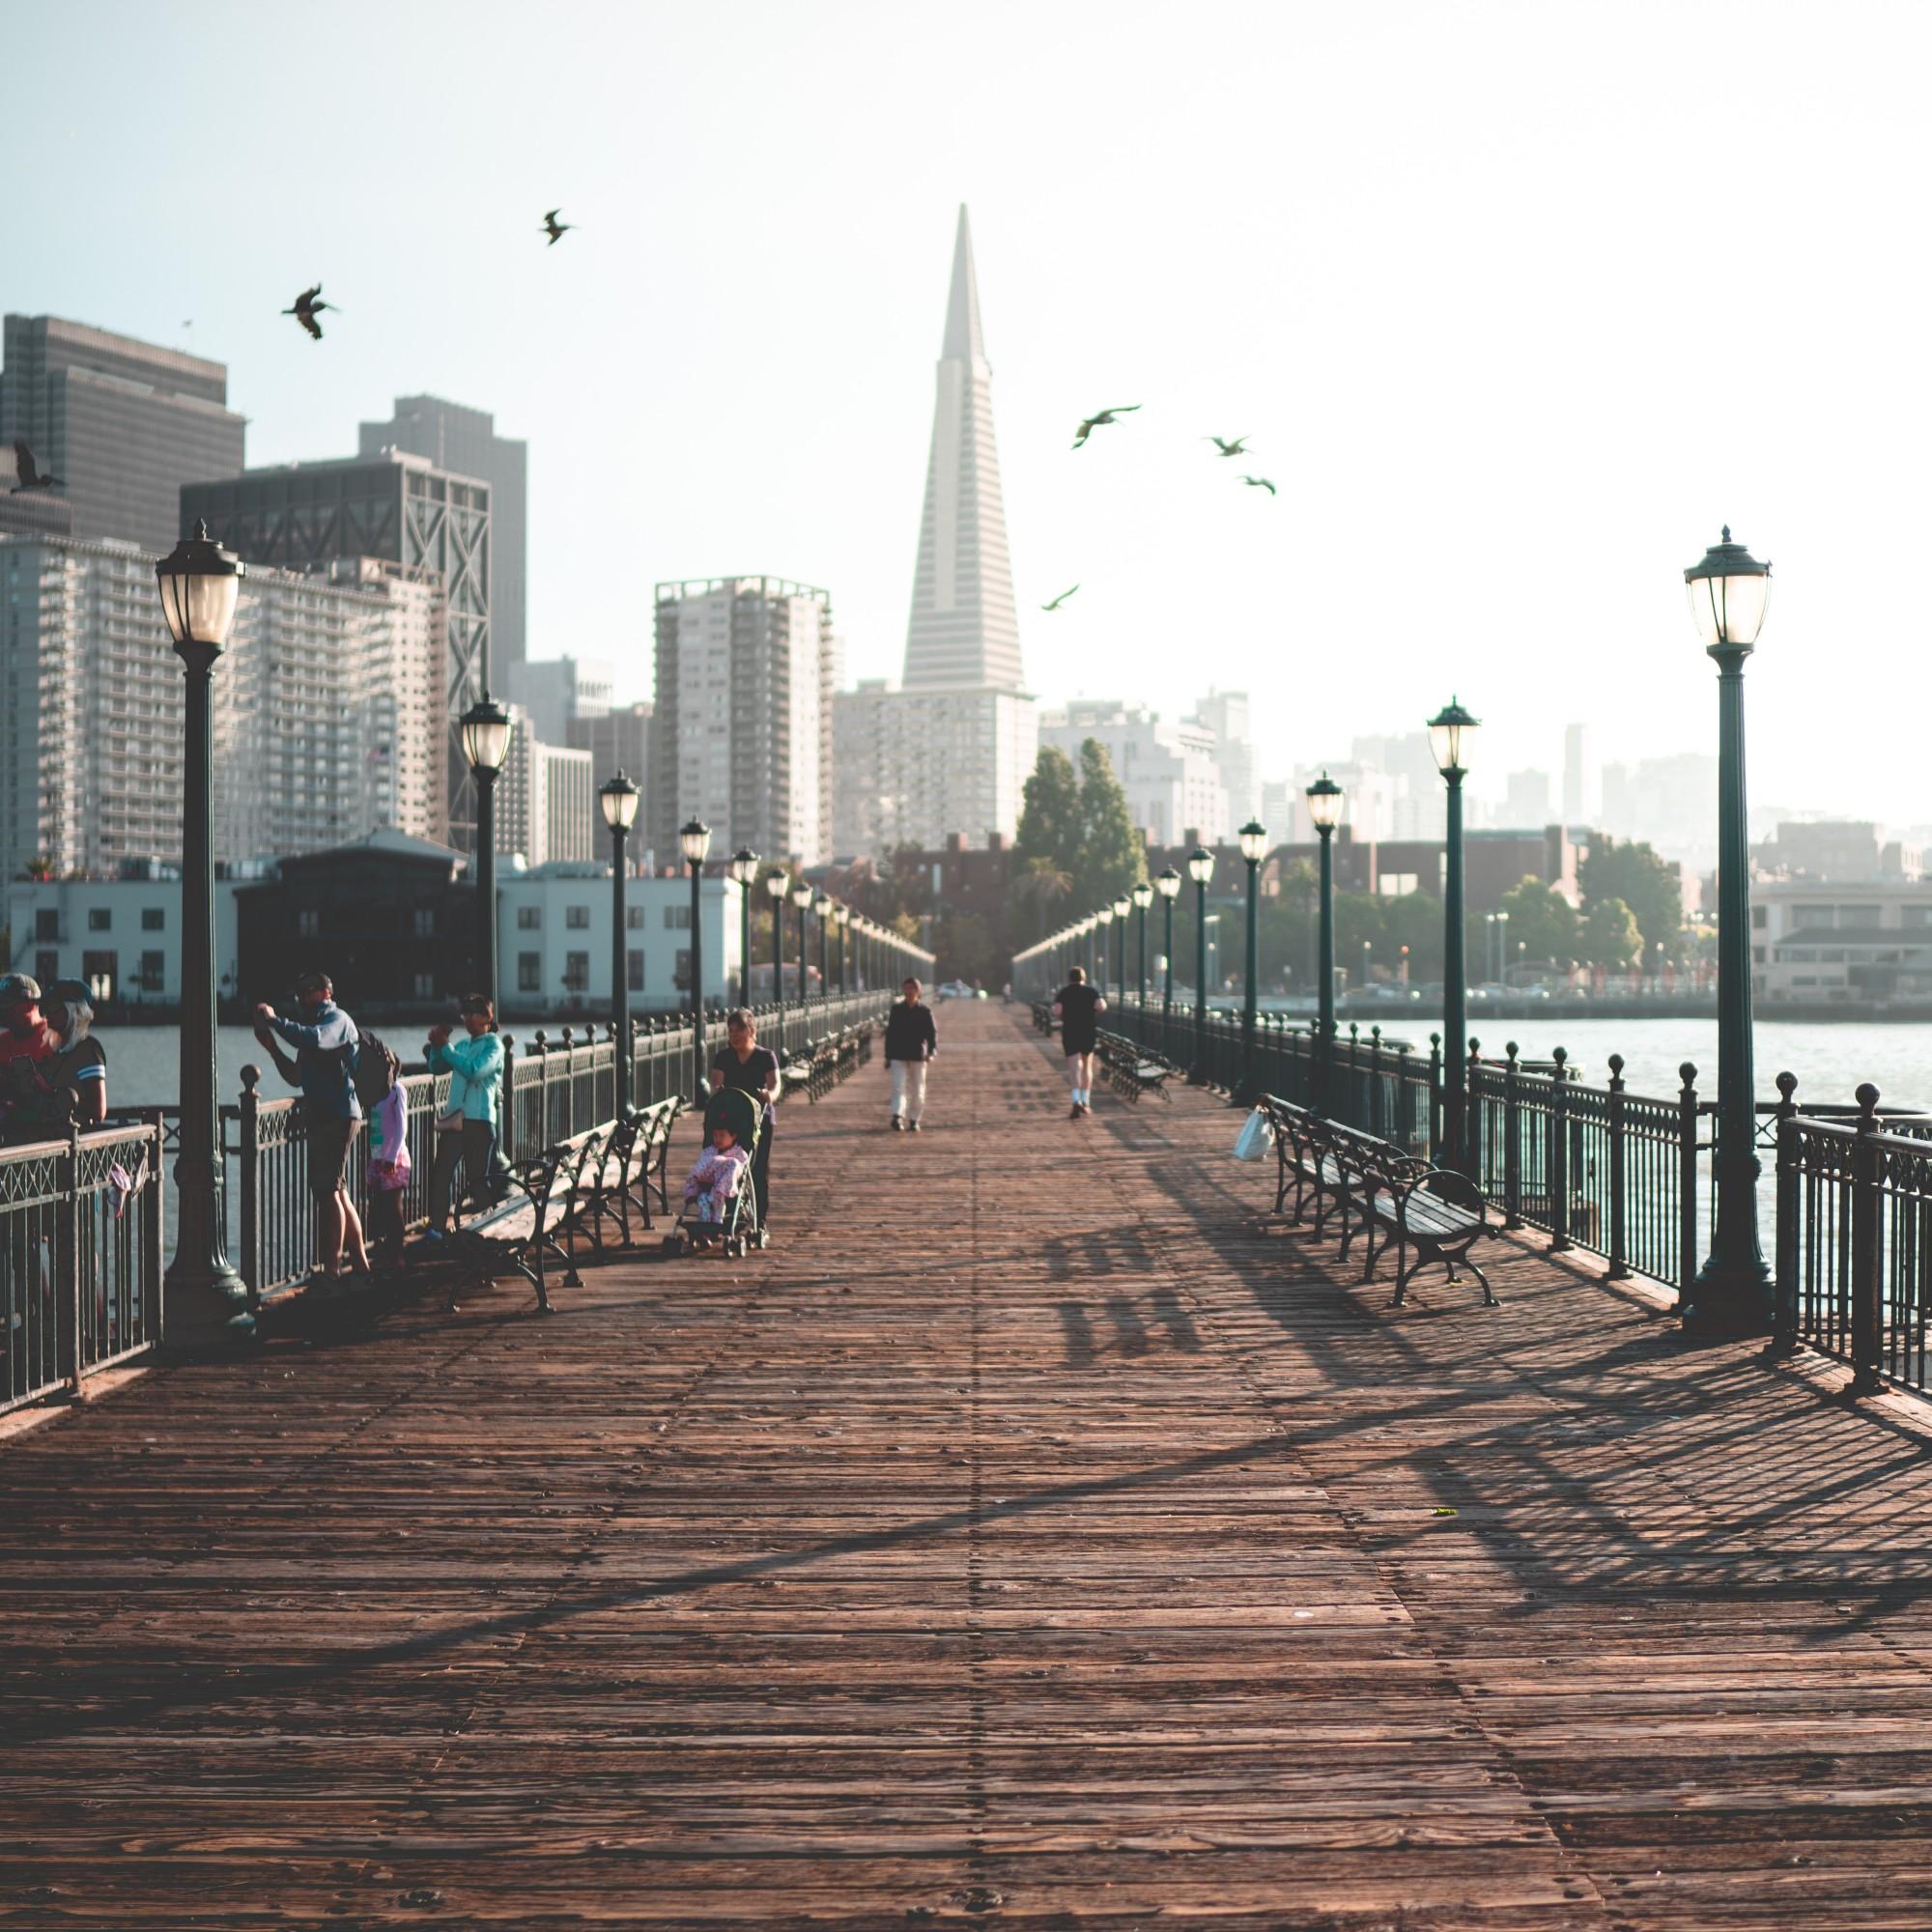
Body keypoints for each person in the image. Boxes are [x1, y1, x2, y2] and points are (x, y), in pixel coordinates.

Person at [255, 970, 370, 1279]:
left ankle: (332, 1269)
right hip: (326, 1115)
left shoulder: (336, 1020)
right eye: (299, 993)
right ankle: (359, 1264)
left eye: (307, 991)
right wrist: (272, 1048)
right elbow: (296, 1076)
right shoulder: (311, 1027)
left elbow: (317, 1040)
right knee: (336, 1190)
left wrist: (276, 1021)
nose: (303, 998)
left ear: (325, 992)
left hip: (339, 1114)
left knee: (328, 1191)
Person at [424, 993, 503, 1236]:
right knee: (441, 1175)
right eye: (465, 1013)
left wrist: (446, 1047)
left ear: (487, 1017)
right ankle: (437, 1230)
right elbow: (437, 1067)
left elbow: (474, 1071)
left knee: (477, 1180)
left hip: (479, 1121)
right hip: (456, 1121)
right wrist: (438, 1047)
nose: (468, 1018)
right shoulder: (463, 1046)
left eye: (473, 1013)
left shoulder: (493, 1046)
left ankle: (488, 1231)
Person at [1, 980, 108, 1139]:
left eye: (54, 1008)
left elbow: (97, 1110)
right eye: (46, 1008)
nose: (47, 1014)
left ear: (74, 1011)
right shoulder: (59, 1053)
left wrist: (50, 1092)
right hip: (51, 1138)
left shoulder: (87, 1049)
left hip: (75, 1144)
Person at [709, 1009, 780, 1224]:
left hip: (759, 1120)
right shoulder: (723, 1057)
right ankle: (729, 1212)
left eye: (739, 1030)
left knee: (757, 1169)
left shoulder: (766, 1056)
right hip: (731, 1121)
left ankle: (760, 1219)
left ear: (751, 1030)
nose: (734, 1035)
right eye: (730, 1031)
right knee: (729, 1165)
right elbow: (715, 1084)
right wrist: (716, 1093)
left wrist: (769, 1095)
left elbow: (776, 1086)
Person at [363, 1055, 412, 1270]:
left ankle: (397, 1254)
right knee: (379, 1206)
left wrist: (392, 1157)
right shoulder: (375, 1092)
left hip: (394, 1157)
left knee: (394, 1208)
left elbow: (402, 1127)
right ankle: (383, 1251)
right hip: (377, 1156)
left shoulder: (396, 1091)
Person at [1052, 964, 1107, 1120]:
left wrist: (1063, 1015)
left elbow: (1056, 1011)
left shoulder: (1064, 992)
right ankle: (1086, 1101)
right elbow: (1101, 1005)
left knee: (1074, 1068)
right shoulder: (1091, 991)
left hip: (1070, 1032)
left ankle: (1076, 1100)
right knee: (1087, 1066)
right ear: (1084, 978)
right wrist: (1092, 1011)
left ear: (1069, 979)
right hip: (1087, 1031)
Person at [883, 978, 937, 1131]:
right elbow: (891, 1033)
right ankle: (897, 1116)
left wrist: (931, 1051)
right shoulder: (897, 1010)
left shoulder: (925, 1011)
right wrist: (888, 1056)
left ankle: (914, 1119)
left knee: (918, 1089)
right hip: (898, 1053)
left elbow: (932, 1033)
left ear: (918, 991)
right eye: (906, 988)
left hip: (918, 1054)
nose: (909, 992)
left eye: (912, 988)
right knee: (898, 1087)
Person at [682, 1119, 752, 1228]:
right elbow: (701, 1166)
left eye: (722, 1135)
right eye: (715, 1135)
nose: (717, 1139)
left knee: (733, 1163)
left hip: (726, 1189)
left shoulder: (740, 1154)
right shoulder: (709, 1151)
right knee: (703, 1200)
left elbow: (739, 1172)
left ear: (733, 1136)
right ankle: (704, 1231)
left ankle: (717, 1219)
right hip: (706, 1186)